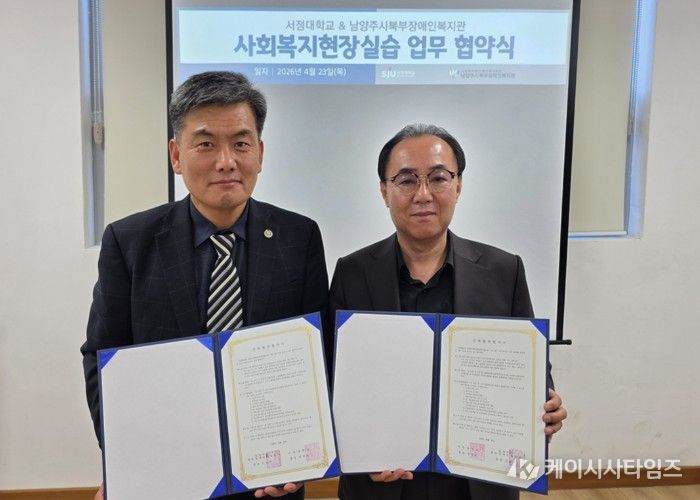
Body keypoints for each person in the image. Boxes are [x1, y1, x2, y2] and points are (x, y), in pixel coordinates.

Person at [80, 71, 328, 500]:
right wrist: (126, 457)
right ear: (176, 155)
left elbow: (316, 356)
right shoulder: (129, 242)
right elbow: (103, 360)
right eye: (206, 144)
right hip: (167, 477)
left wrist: (301, 458)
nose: (226, 161)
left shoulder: (299, 236)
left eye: (241, 144)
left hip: (272, 478)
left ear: (260, 153)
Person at [326, 123, 567, 500]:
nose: (423, 194)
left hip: (477, 483)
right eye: (406, 180)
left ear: (458, 186)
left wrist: (546, 405)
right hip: (384, 483)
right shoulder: (352, 273)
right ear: (384, 191)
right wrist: (357, 451)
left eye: (438, 178)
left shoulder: (504, 271)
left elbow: (532, 372)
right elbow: (333, 380)